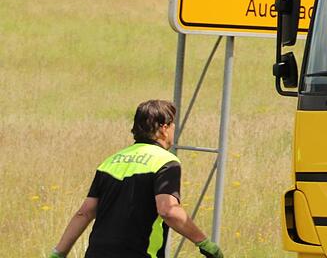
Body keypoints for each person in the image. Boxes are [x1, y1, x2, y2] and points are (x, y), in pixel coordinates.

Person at [47, 99, 224, 258]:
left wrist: (58, 253)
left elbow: (85, 212)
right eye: (172, 126)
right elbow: (168, 210)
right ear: (163, 128)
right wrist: (203, 243)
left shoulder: (110, 161)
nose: (173, 131)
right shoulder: (165, 161)